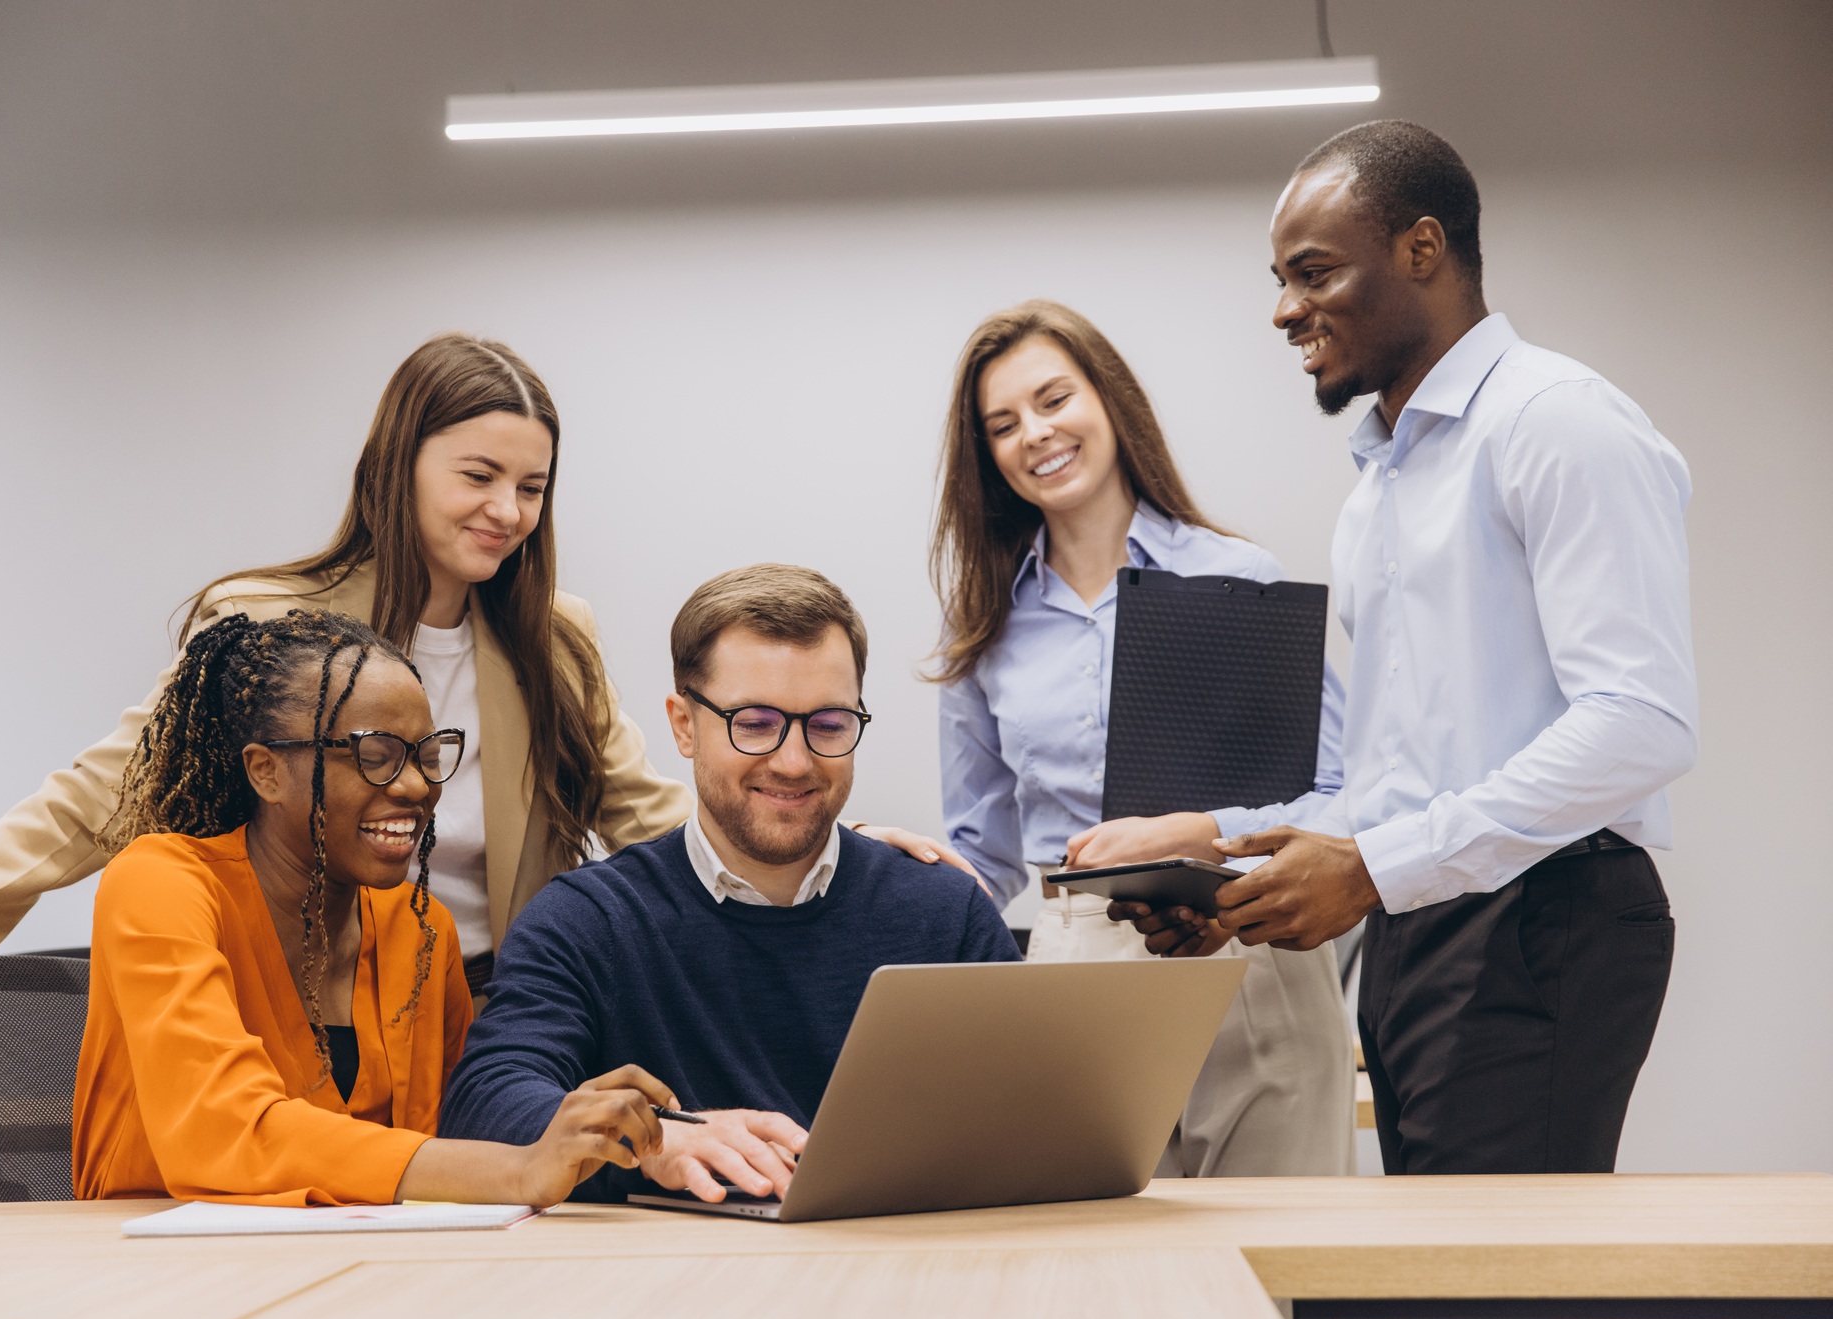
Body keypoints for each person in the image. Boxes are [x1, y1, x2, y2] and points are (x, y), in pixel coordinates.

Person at [0, 334, 966, 1015]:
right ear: (398, 463)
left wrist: (837, 846)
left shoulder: (549, 642)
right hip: (302, 1013)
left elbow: (652, 812)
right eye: (478, 474)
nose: (506, 511)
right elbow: (98, 794)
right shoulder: (264, 626)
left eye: (531, 487)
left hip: (491, 1016)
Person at [1118, 120, 1694, 1183]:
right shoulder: (1379, 488)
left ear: (1421, 250)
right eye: (1280, 279)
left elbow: (1640, 723)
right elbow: (1392, 785)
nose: (1284, 308)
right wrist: (1225, 865)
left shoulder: (1556, 424)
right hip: (1417, 924)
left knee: (1491, 1298)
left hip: (1539, 917)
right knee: (1440, 1278)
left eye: (1313, 272)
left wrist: (1377, 868)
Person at [931, 300, 1354, 1179]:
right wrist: (893, 875)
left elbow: (1342, 791)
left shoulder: (1239, 578)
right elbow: (985, 853)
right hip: (1082, 962)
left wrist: (1201, 831)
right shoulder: (986, 628)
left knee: (1270, 1278)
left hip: (1252, 946)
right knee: (1097, 1287)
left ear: (1108, 399)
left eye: (1053, 399)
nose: (1034, 434)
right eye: (1002, 425)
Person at [439, 565, 1020, 1204]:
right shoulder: (586, 920)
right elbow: (486, 1105)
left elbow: (1040, 1108)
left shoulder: (944, 911)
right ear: (684, 726)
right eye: (755, 722)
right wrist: (651, 1141)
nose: (794, 761)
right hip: (676, 1286)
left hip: (904, 1275)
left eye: (828, 725)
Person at [74, 607, 681, 1206]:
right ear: (266, 772)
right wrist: (519, 1170)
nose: (416, 785)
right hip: (153, 1267)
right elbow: (222, 1131)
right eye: (375, 754)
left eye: (429, 754)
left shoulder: (420, 933)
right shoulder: (162, 883)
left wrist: (580, 1133)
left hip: (370, 1268)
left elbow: (450, 1142)